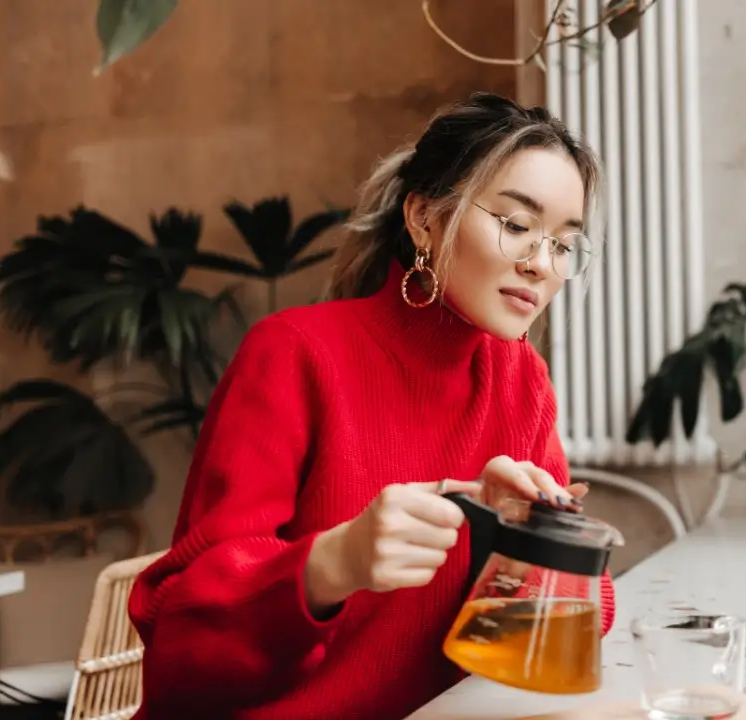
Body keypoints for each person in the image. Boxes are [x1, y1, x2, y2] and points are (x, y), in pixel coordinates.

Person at [127, 92, 617, 720]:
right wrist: (333, 563)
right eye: (518, 226)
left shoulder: (521, 384)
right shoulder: (295, 353)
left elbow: (565, 629)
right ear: (424, 218)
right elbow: (180, 646)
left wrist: (519, 538)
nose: (541, 265)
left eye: (562, 244)